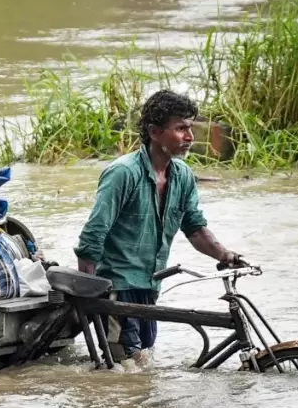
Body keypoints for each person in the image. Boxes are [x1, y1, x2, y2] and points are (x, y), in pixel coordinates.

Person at [74, 90, 244, 364]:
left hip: (150, 286)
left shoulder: (183, 176)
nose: (189, 137)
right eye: (180, 129)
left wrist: (225, 255)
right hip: (116, 286)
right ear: (154, 132)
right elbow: (92, 237)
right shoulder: (123, 173)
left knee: (143, 364)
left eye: (190, 128)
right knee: (124, 367)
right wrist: (92, 297)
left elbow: (196, 229)